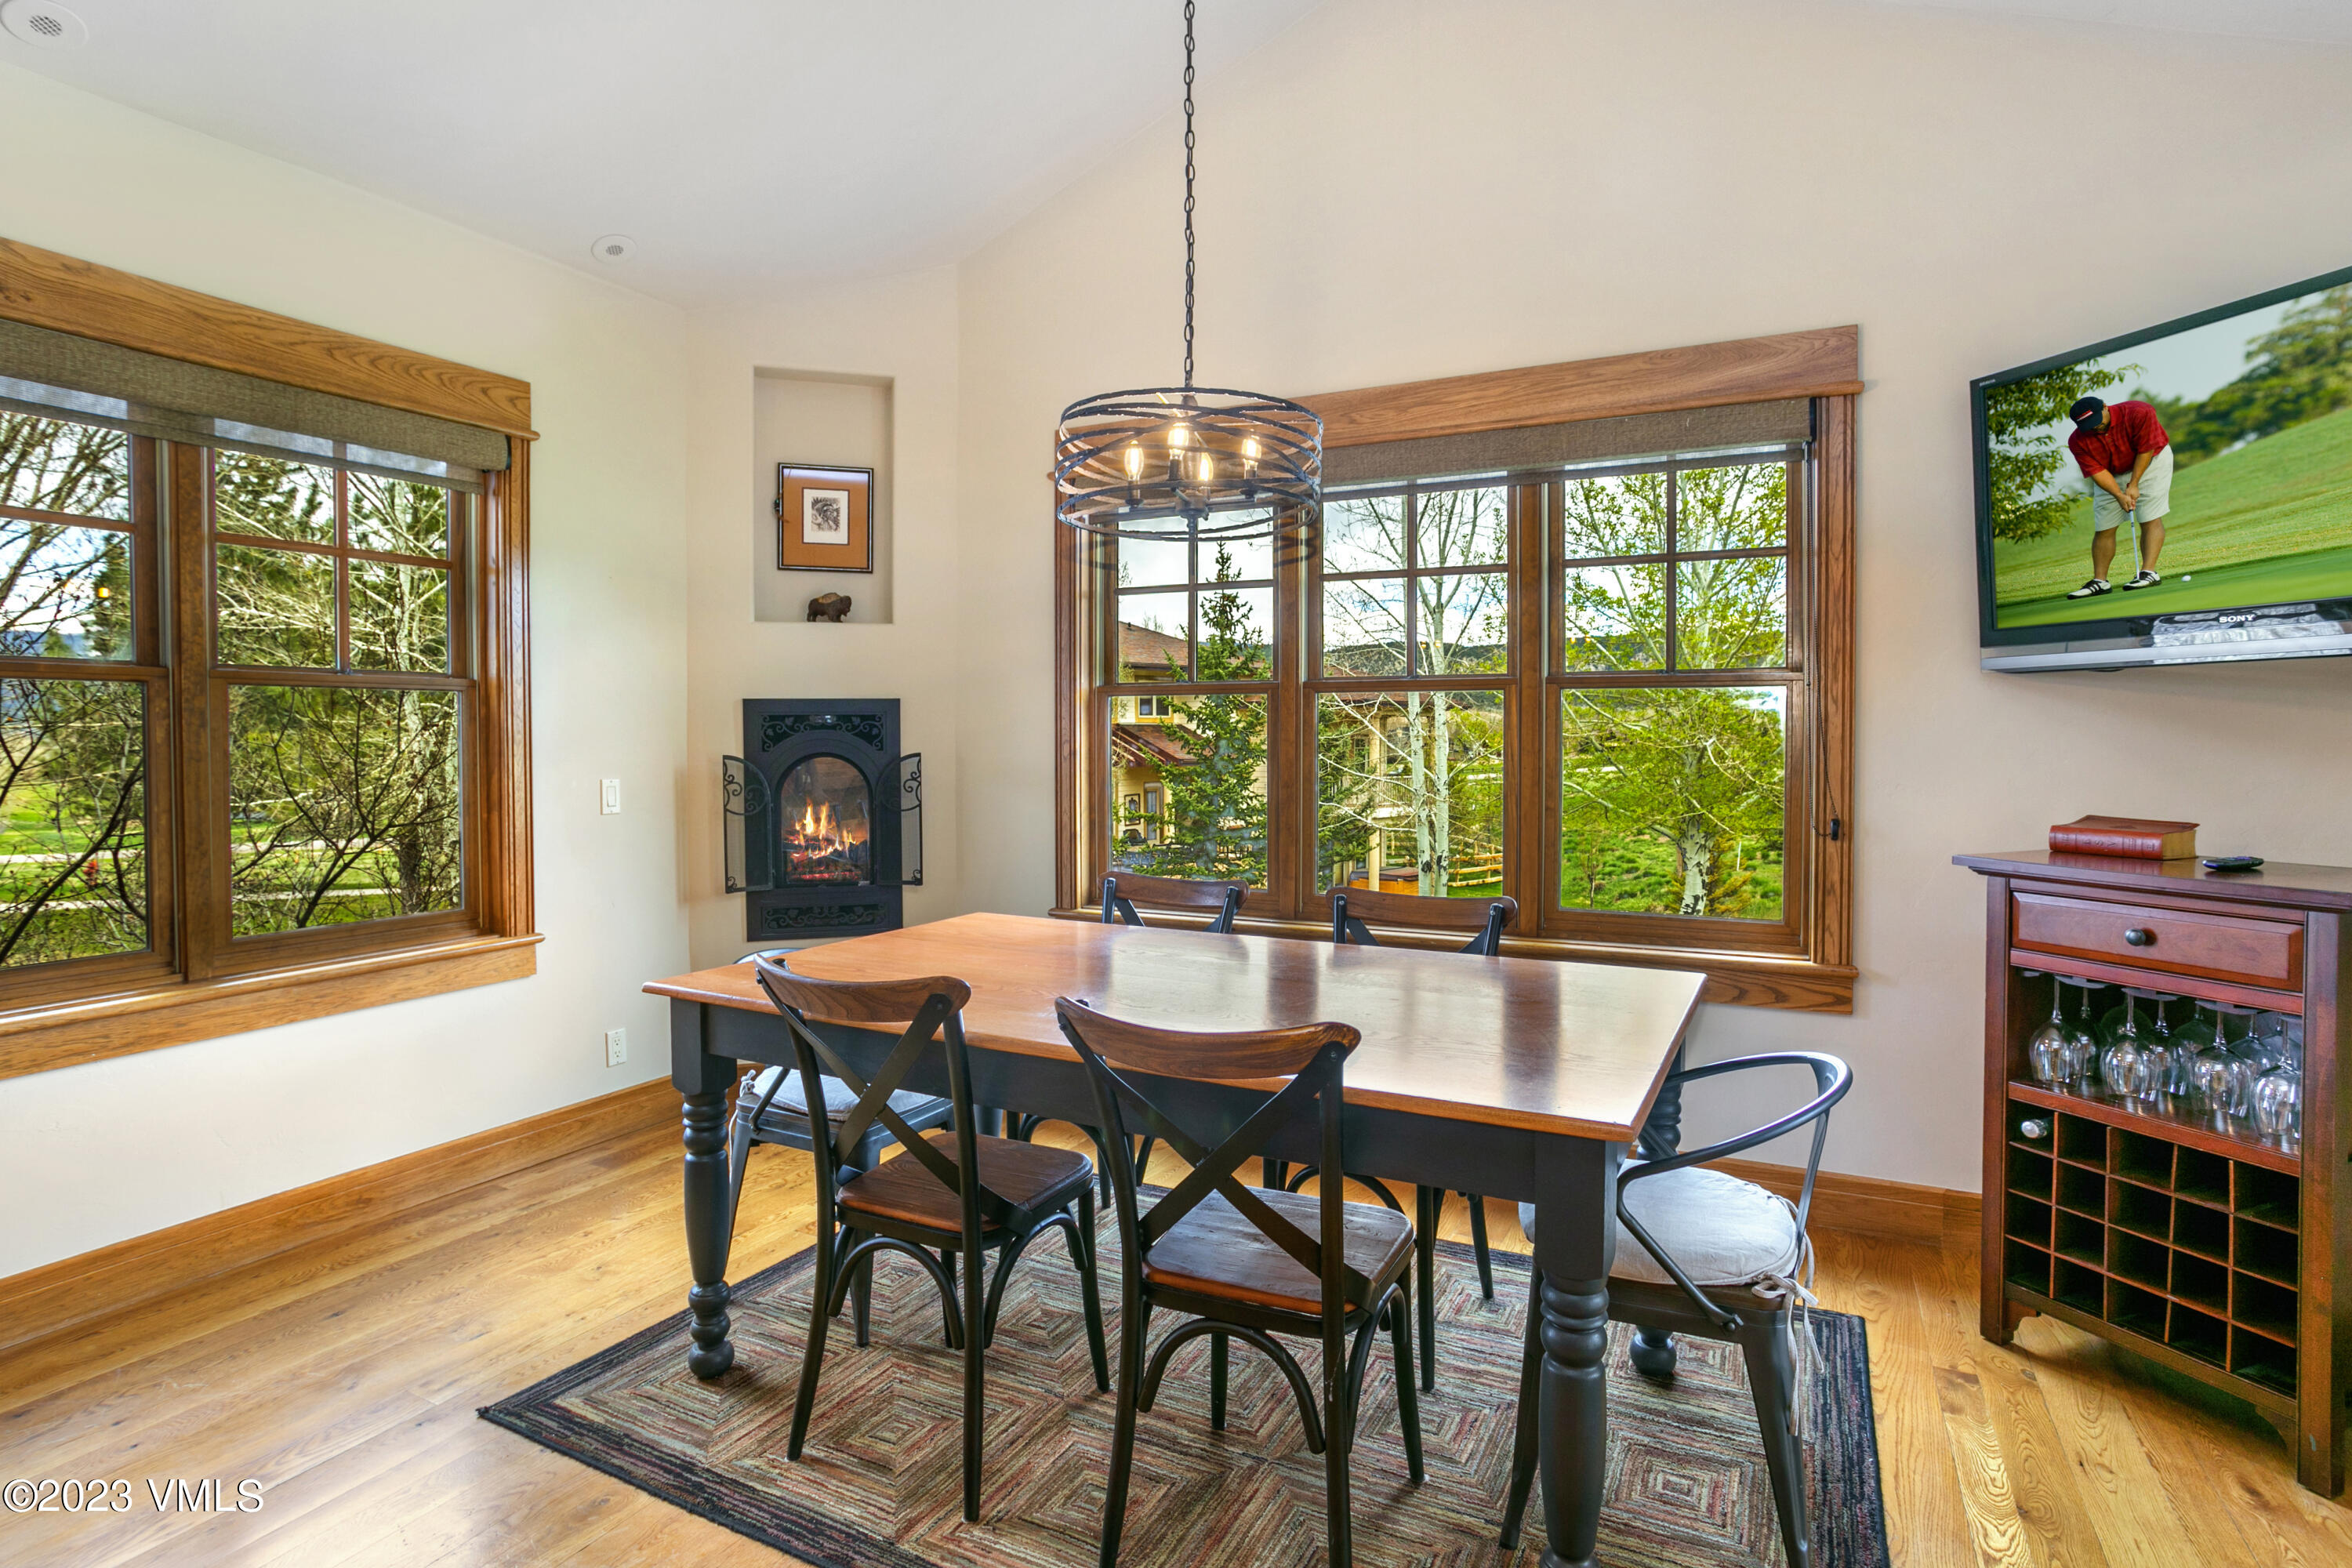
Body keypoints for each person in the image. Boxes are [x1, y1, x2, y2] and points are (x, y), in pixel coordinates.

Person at [2063, 395, 2172, 598]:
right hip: (2110, 472)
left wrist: (2134, 484)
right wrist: (2119, 495)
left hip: (2151, 462)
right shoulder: (2077, 440)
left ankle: (2148, 573)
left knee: (2148, 517)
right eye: (2089, 426)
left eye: (2098, 422)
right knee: (2104, 526)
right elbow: (2097, 472)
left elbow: (2146, 449)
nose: (2096, 429)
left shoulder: (2140, 412)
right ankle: (2100, 581)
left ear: (2105, 407)